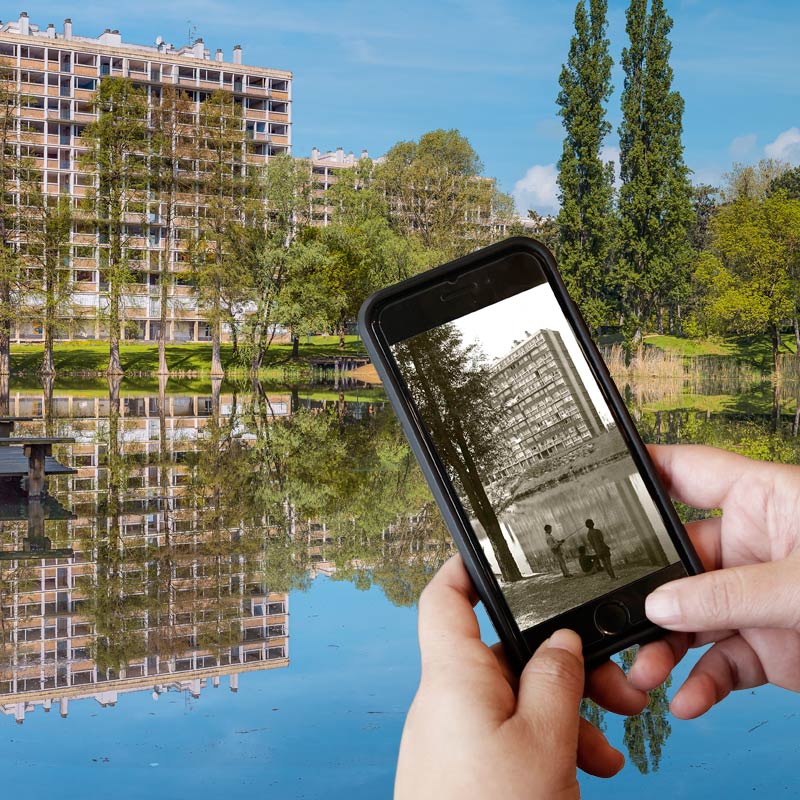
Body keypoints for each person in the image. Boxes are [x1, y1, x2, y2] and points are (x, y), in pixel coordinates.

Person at [396, 444, 800, 797]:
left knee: (604, 569)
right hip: (580, 559)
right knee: (592, 571)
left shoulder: (587, 535)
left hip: (598, 559)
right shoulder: (559, 538)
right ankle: (594, 576)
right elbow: (561, 546)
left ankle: (600, 576)